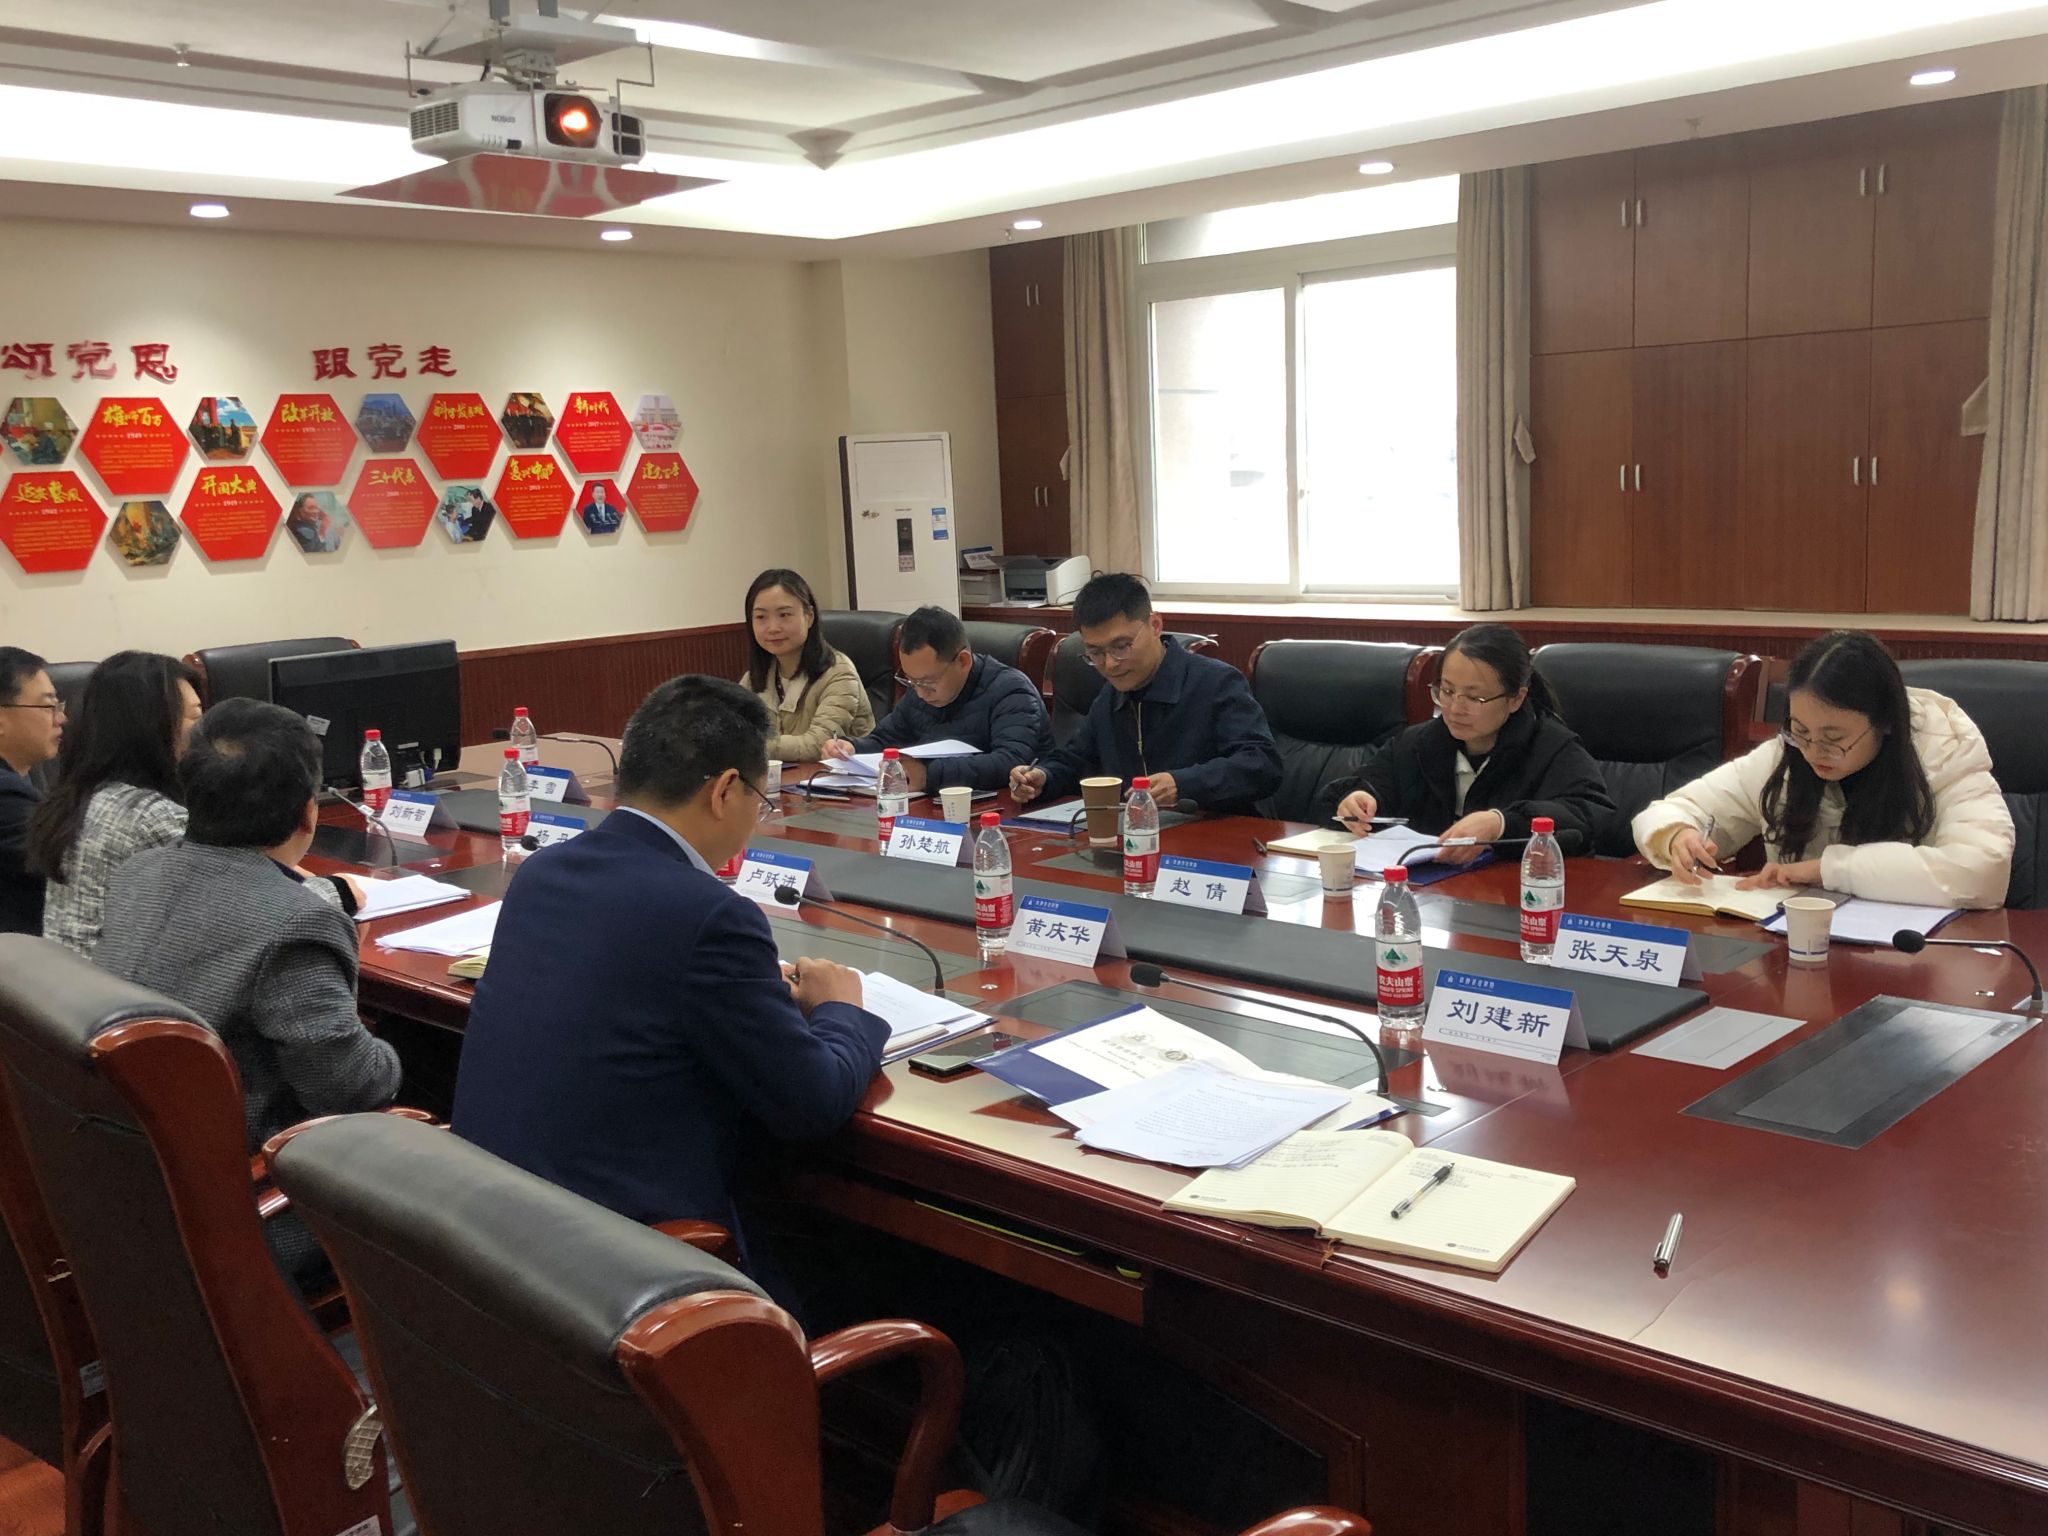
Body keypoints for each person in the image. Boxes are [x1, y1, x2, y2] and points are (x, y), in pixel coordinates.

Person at [451, 675, 889, 1263]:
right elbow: (812, 1105)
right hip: (623, 1264)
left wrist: (753, 991)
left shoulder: (542, 872)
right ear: (726, 789)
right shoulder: (711, 915)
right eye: (760, 801)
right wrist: (839, 1006)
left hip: (493, 1239)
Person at [93, 699, 401, 1207]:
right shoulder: (296, 920)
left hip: (123, 1176)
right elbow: (350, 1091)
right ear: (308, 813)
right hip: (245, 1199)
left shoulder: (138, 874)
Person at [1634, 630, 2013, 908]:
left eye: (1834, 738)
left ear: (1885, 722)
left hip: (1918, 961)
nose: (1814, 751)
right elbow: (1673, 810)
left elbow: (1982, 870)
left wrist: (1827, 870)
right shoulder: (1787, 755)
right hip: (1802, 950)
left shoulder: (1944, 753)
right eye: (1800, 731)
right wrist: (1679, 835)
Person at [1316, 624, 1614, 862]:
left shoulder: (1551, 747)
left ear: (1516, 698)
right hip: (1429, 894)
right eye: (1446, 691)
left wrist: (1501, 824)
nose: (1455, 708)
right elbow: (1361, 787)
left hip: (1514, 896)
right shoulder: (1418, 742)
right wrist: (1355, 799)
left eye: (1474, 697)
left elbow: (1589, 817)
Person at [1009, 573, 1280, 814]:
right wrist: (1043, 776)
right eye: (1095, 652)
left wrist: (1182, 784)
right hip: (1137, 835)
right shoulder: (1111, 696)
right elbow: (1077, 760)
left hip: (1217, 835)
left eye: (1121, 646)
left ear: (1155, 625)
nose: (1110, 664)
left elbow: (1262, 764)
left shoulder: (1216, 683)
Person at [27, 652, 201, 958]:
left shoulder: (80, 799)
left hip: (66, 982)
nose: (205, 729)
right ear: (153, 727)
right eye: (196, 716)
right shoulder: (154, 817)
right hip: (124, 984)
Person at [821, 606, 1051, 794]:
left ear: (963, 661)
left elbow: (1010, 762)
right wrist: (852, 748)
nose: (920, 693)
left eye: (928, 682)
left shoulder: (1011, 691)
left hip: (1005, 813)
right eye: (910, 680)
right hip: (934, 807)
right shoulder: (919, 690)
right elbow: (887, 738)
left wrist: (928, 774)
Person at [740, 567, 874, 761]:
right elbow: (731, 728)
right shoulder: (755, 677)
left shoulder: (839, 673)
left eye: (784, 615)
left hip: (837, 777)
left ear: (809, 616)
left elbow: (818, 745)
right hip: (778, 778)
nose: (773, 628)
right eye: (761, 617)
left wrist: (748, 745)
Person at [0, 649, 63, 935]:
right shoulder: (6, 798)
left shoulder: (20, 782)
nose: (61, 718)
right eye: (48, 706)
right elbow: (76, 867)